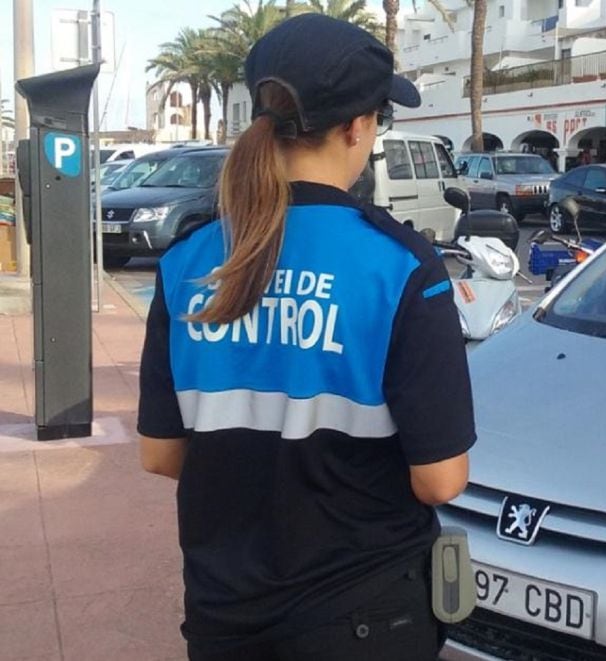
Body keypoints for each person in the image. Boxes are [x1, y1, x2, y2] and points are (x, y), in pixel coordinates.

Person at [137, 14, 475, 661]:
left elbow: (160, 453)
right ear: (357, 127)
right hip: (363, 615)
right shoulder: (401, 268)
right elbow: (441, 479)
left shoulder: (188, 260)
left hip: (223, 613)